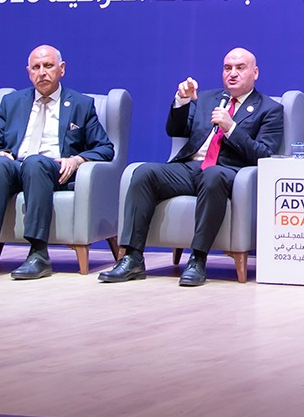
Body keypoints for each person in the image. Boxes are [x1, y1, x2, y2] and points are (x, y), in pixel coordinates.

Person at [101, 47, 285, 286]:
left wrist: (231, 128)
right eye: (227, 68)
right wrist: (183, 101)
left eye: (240, 68)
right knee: (144, 173)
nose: (232, 73)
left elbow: (265, 155)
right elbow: (176, 130)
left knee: (212, 176)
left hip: (229, 172)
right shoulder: (207, 99)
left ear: (255, 72)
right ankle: (133, 258)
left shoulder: (269, 109)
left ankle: (197, 259)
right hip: (190, 168)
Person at [0, 45, 114, 281]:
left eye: (48, 66)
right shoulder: (12, 102)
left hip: (52, 170)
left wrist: (77, 159)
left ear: (62, 69)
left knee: (35, 162)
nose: (42, 72)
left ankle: (38, 255)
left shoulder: (81, 104)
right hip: (14, 168)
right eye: (36, 67)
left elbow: (105, 148)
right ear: (29, 72)